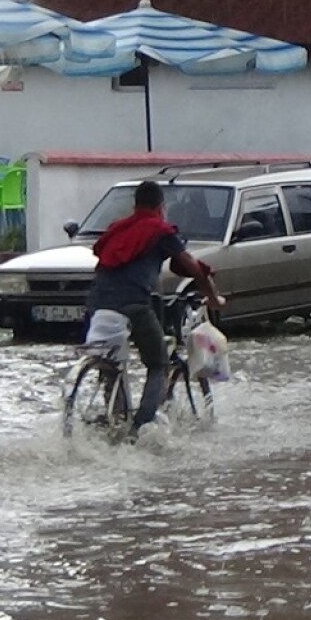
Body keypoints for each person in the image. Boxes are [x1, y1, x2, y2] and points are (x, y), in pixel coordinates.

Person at [86, 181, 225, 434]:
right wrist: (213, 297)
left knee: (111, 360)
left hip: (97, 303)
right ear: (162, 207)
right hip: (134, 303)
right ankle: (140, 428)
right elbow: (191, 267)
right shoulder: (160, 231)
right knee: (158, 363)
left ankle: (113, 416)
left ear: (134, 205)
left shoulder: (118, 228)